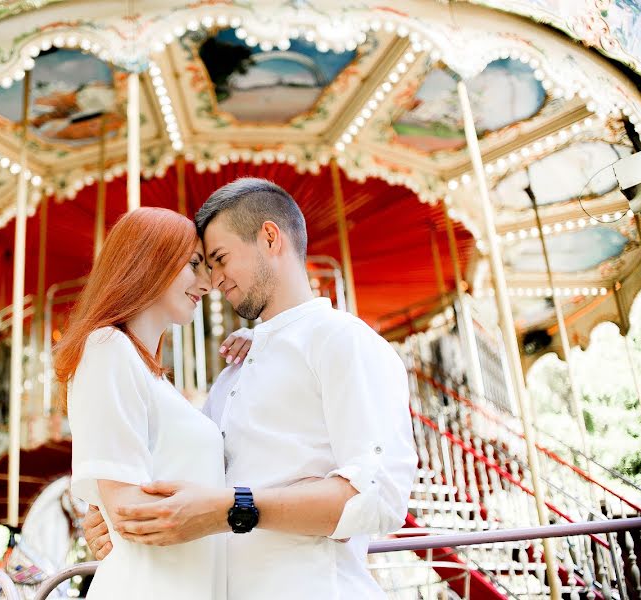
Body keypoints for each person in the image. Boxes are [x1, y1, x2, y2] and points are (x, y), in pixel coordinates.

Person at [81, 178, 418, 599]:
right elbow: (186, 478)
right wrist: (117, 516)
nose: (213, 280)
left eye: (219, 259)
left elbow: (378, 496)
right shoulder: (232, 375)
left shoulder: (342, 340)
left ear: (270, 238)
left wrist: (233, 508)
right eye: (203, 265)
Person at [56, 206, 231, 599]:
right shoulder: (107, 347)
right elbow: (130, 512)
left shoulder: (153, 378)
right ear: (150, 261)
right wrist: (242, 510)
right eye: (193, 264)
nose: (208, 282)